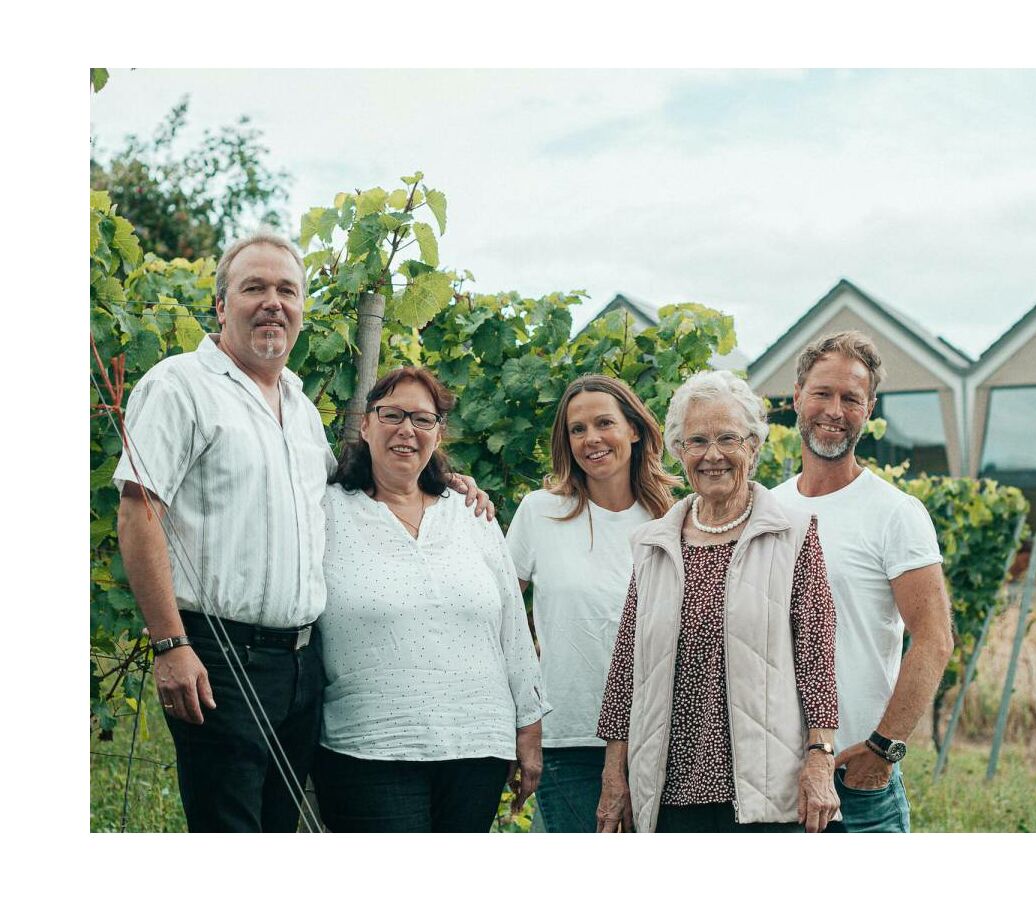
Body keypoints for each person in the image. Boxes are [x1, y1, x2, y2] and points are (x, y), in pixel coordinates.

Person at [114, 232, 491, 832]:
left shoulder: (300, 405)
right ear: (221, 305)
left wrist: (443, 481)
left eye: (286, 290)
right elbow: (138, 513)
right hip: (217, 653)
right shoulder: (178, 385)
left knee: (278, 833)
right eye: (254, 288)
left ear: (301, 308)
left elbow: (351, 488)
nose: (273, 303)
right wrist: (170, 643)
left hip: (300, 662)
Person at [595, 369, 840, 833]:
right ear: (678, 451)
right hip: (666, 791)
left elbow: (817, 663)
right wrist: (614, 774)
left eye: (727, 438)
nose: (712, 455)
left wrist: (820, 760)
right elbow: (627, 669)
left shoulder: (792, 534)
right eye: (696, 441)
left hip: (763, 794)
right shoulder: (653, 544)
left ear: (753, 446)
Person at [312, 367, 551, 832]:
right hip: (369, 745)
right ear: (365, 424)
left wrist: (529, 727)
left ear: (438, 433)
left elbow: (511, 629)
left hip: (477, 745)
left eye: (422, 419)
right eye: (392, 415)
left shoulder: (470, 513)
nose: (406, 430)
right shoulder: (327, 510)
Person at [769, 330, 954, 833]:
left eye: (851, 398)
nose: (834, 409)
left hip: (856, 779)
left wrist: (883, 748)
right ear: (796, 397)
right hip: (772, 777)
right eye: (822, 393)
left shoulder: (895, 513)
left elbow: (935, 640)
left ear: (868, 409)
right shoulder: (767, 509)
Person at [506, 375, 678, 832]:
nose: (591, 439)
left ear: (635, 430)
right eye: (577, 429)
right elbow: (498, 617)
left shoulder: (670, 522)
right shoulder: (540, 512)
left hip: (660, 740)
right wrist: (522, 720)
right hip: (567, 739)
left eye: (604, 423)